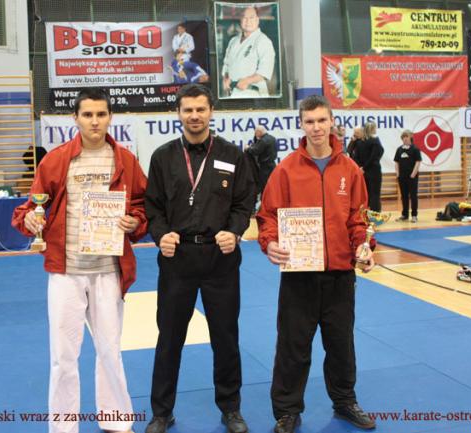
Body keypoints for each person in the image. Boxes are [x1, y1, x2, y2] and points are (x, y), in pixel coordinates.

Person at [11, 88, 148, 433]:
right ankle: (63, 427)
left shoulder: (125, 160)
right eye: (87, 115)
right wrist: (31, 221)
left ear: (110, 117)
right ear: (75, 118)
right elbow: (30, 208)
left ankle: (117, 421)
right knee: (63, 356)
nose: (95, 121)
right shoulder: (56, 160)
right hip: (66, 271)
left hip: (108, 269)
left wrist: (135, 222)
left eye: (101, 114)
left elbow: (142, 206)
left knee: (110, 351)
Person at [256, 95, 376, 433]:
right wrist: (270, 242)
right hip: (299, 275)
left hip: (340, 273)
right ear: (301, 124)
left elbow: (358, 219)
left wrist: (365, 246)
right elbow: (268, 216)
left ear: (332, 121)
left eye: (322, 120)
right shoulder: (285, 169)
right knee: (292, 346)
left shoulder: (350, 170)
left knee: (341, 344)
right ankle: (287, 411)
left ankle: (345, 401)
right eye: (310, 122)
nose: (317, 127)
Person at [144, 83, 255, 433]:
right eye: (188, 110)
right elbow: (152, 207)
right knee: (169, 338)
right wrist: (161, 235)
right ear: (178, 113)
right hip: (177, 259)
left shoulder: (232, 155)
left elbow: (244, 202)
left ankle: (231, 408)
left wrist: (234, 232)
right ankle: (162, 412)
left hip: (220, 259)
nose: (194, 116)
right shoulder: (162, 157)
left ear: (211, 112)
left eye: (200, 109)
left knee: (226, 337)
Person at [221, 5, 276, 98]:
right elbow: (226, 65)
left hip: (253, 93)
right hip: (233, 93)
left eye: (251, 17)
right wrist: (225, 78)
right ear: (240, 19)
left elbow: (265, 71)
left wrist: (247, 81)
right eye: (244, 17)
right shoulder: (233, 41)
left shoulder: (263, 40)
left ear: (257, 20)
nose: (248, 21)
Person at [394, 130, 422, 223]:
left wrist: (413, 174)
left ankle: (414, 215)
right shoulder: (399, 149)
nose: (405, 139)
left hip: (412, 177)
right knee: (404, 196)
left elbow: (418, 162)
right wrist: (398, 174)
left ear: (410, 138)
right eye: (403, 137)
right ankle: (405, 215)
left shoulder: (415, 149)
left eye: (407, 137)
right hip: (402, 177)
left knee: (413, 196)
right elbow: (396, 162)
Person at [356, 121, 384, 212]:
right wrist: (365, 167)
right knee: (375, 194)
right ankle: (375, 214)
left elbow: (356, 157)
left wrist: (361, 167)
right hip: (373, 171)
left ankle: (367, 214)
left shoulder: (360, 142)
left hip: (364, 172)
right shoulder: (375, 141)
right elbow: (374, 157)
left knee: (367, 193)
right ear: (372, 129)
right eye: (375, 127)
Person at [245, 125, 277, 198]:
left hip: (264, 167)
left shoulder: (263, 141)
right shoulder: (272, 138)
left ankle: (264, 201)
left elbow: (255, 151)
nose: (255, 135)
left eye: (256, 133)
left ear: (259, 132)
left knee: (264, 186)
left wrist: (248, 148)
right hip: (272, 165)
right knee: (272, 185)